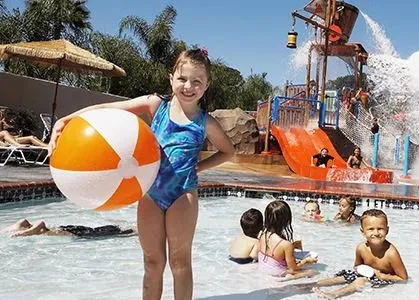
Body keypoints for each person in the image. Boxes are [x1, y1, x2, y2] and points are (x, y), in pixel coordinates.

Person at [47, 48, 235, 300]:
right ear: (171, 78)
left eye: (196, 81)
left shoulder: (205, 122)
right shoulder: (155, 105)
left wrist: (198, 167)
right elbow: (108, 109)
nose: (188, 86)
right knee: (152, 262)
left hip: (182, 196)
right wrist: (66, 120)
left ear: (206, 85)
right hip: (150, 194)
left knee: (180, 263)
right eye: (182, 79)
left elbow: (228, 152)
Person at [312, 209, 408, 299]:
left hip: (383, 278)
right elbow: (357, 267)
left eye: (380, 228)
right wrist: (362, 271)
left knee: (360, 281)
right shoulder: (361, 248)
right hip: (366, 274)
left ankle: (334, 294)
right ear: (363, 232)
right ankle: (310, 285)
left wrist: (382, 276)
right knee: (343, 277)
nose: (376, 232)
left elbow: (403, 278)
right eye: (371, 229)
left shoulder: (391, 253)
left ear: (387, 230)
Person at [258, 200, 318, 281]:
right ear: (286, 220)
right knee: (313, 272)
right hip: (276, 272)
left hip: (263, 268)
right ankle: (292, 277)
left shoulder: (262, 234)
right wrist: (306, 261)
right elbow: (293, 268)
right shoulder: (285, 244)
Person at [4, 218, 136, 238]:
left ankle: (134, 230)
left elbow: (41, 222)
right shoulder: (123, 232)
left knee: (100, 234)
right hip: (75, 231)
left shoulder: (37, 229)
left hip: (75, 230)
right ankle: (38, 229)